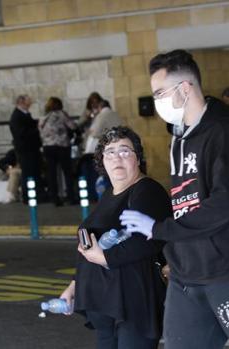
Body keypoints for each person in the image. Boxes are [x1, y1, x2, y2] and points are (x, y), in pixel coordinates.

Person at [120, 49, 229, 349]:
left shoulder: (225, 135)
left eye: (160, 93)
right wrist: (169, 249)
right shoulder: (179, 138)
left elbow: (224, 205)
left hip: (226, 273)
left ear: (185, 88)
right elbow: (184, 201)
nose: (157, 103)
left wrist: (159, 229)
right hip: (185, 276)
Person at [60, 126, 171, 349]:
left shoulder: (146, 190)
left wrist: (105, 259)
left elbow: (149, 240)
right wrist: (74, 285)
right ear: (102, 160)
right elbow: (91, 245)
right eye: (110, 152)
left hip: (132, 303)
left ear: (137, 158)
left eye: (124, 151)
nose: (116, 158)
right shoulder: (109, 194)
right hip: (104, 302)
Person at [38, 97, 77, 206]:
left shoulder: (43, 117)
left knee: (52, 173)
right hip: (62, 146)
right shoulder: (61, 114)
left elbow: (40, 131)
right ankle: (71, 197)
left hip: (48, 147)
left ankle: (55, 198)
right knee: (67, 172)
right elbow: (72, 126)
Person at [9, 95, 44, 203]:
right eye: (28, 102)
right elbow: (21, 133)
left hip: (31, 149)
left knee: (34, 172)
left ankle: (37, 194)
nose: (30, 104)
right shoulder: (17, 116)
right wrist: (37, 129)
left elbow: (29, 123)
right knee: (28, 173)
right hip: (25, 150)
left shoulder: (24, 114)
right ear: (21, 102)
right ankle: (28, 196)